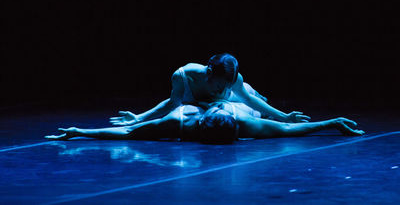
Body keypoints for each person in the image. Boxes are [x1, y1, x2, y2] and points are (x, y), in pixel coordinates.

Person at [109, 53, 311, 126]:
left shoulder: (233, 82)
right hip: (217, 103)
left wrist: (285, 117)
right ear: (208, 73)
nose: (220, 88)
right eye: (219, 85)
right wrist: (139, 118)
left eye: (227, 85)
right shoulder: (183, 76)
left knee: (260, 106)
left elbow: (248, 99)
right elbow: (172, 102)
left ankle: (265, 100)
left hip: (236, 98)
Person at [45, 102, 365, 143]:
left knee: (248, 95)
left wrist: (333, 121)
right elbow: (129, 131)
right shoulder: (178, 122)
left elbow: (288, 127)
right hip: (239, 108)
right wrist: (80, 131)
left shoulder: (240, 121)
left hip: (242, 106)